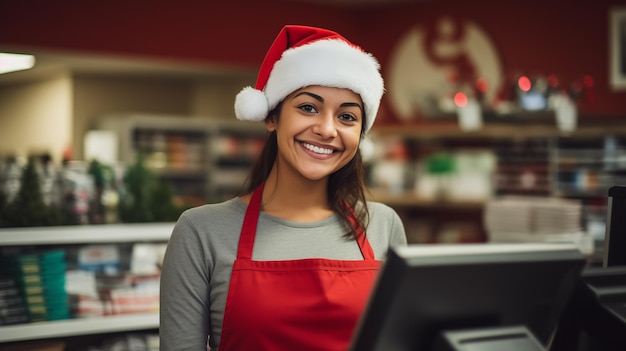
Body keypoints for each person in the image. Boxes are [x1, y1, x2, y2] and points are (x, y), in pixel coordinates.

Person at [159, 24, 407, 351]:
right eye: (308, 107)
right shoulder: (201, 231)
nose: (327, 129)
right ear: (271, 117)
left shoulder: (382, 225)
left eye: (347, 117)